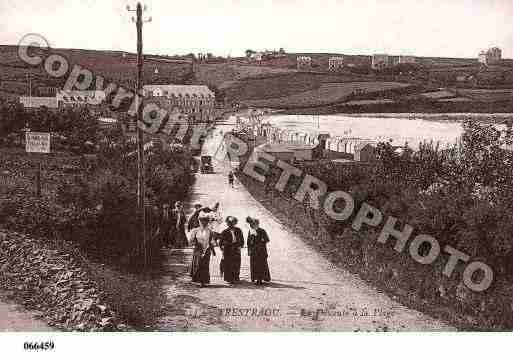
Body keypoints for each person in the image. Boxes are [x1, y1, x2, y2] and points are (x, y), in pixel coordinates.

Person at [190, 212, 217, 287]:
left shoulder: (210, 231)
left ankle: (203, 281)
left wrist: (213, 247)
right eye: (201, 221)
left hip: (206, 250)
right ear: (199, 222)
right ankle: (197, 280)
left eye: (205, 221)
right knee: (197, 265)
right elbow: (191, 241)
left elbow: (212, 241)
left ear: (207, 222)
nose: (203, 223)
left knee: (205, 265)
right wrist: (195, 244)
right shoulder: (195, 230)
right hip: (198, 250)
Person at [219, 216, 244, 284]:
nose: (231, 225)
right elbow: (220, 242)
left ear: (235, 223)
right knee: (228, 264)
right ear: (227, 224)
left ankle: (236, 277)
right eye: (229, 223)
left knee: (236, 263)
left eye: (233, 223)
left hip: (236, 248)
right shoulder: (224, 232)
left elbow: (242, 240)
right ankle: (229, 278)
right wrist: (222, 249)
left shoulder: (239, 230)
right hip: (228, 249)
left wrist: (240, 245)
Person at [246, 217, 271, 285]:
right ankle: (255, 278)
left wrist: (262, 240)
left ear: (258, 224)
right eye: (252, 224)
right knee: (254, 265)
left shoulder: (262, 231)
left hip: (261, 251)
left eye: (255, 224)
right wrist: (249, 250)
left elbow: (267, 239)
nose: (254, 225)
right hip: (254, 251)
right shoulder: (250, 231)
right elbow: (248, 242)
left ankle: (261, 279)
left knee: (261, 265)